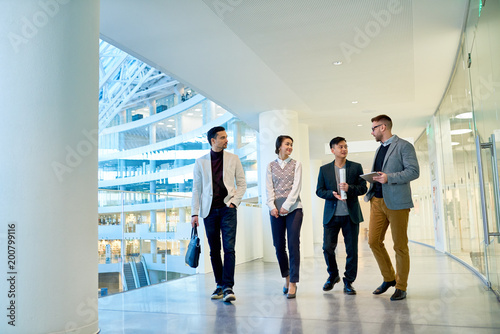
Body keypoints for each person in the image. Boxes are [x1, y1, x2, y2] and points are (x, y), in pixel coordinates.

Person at [365, 115, 419, 301]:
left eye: (373, 128)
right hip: (377, 201)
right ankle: (389, 278)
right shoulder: (379, 149)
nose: (372, 131)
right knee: (373, 241)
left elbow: (413, 171)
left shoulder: (404, 146)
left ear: (383, 127)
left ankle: (401, 286)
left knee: (400, 246)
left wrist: (389, 177)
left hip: (397, 202)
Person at [191, 126, 247, 302]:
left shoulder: (233, 159)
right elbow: (196, 189)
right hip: (208, 212)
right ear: (212, 140)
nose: (226, 140)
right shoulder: (200, 162)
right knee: (215, 251)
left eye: (226, 137)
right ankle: (219, 286)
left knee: (229, 249)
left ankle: (228, 286)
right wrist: (194, 213)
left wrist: (233, 202)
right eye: (222, 138)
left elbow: (242, 184)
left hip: (227, 210)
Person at [316, 137, 367, 295]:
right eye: (340, 147)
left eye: (345, 146)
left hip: (350, 215)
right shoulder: (324, 169)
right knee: (327, 248)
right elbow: (319, 190)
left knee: (352, 250)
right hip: (332, 215)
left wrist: (350, 188)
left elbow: (363, 188)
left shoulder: (356, 167)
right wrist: (331, 194)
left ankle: (349, 281)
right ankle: (333, 275)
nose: (344, 149)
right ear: (333, 150)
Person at [266, 135, 303, 299]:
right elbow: (268, 189)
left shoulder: (297, 164)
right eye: (287, 144)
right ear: (279, 146)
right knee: (278, 245)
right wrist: (272, 207)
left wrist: (286, 206)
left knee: (293, 244)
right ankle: (287, 278)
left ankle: (293, 283)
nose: (290, 147)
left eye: (291, 145)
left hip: (294, 208)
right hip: (275, 210)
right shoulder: (270, 166)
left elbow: (296, 188)